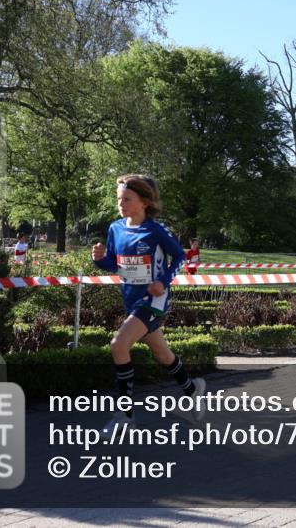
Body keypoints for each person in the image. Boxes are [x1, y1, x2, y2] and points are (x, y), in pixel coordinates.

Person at [92, 174, 205, 435]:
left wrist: (163, 282)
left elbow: (180, 257)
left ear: (144, 202)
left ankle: (126, 416)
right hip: (131, 300)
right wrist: (98, 259)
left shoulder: (156, 230)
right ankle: (192, 388)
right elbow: (114, 264)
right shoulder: (115, 228)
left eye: (127, 199)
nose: (121, 204)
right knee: (162, 354)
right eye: (119, 199)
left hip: (154, 301)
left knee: (119, 345)